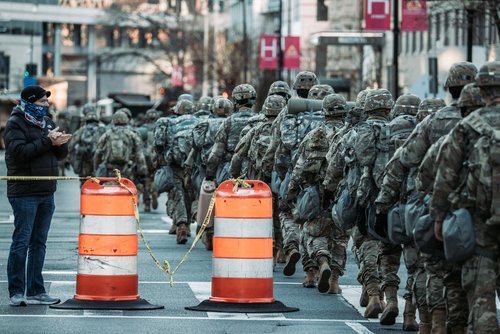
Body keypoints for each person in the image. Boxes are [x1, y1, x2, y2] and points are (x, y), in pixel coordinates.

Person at [4, 85, 71, 306]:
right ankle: (16, 291)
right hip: (24, 192)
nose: (46, 106)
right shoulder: (16, 124)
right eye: (42, 102)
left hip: (46, 191)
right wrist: (47, 141)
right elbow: (19, 153)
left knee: (39, 243)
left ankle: (36, 289)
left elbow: (58, 155)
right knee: (21, 242)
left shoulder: (47, 123)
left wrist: (60, 144)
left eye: (46, 103)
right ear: (30, 103)